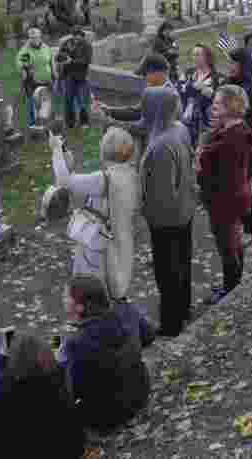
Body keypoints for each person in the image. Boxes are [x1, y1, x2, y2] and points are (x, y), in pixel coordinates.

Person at [49, 127, 140, 300]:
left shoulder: (104, 179)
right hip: (122, 238)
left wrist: (55, 151)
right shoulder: (130, 174)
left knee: (94, 292)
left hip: (98, 244)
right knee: (114, 286)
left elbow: (65, 181)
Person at [58, 275, 154, 433]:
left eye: (66, 296)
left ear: (81, 307)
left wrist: (61, 357)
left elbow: (74, 390)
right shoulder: (124, 314)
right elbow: (148, 336)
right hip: (139, 393)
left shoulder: (77, 343)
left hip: (108, 415)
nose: (63, 299)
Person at [0, 332, 85, 458]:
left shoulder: (0, 384)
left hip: (7, 446)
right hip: (56, 448)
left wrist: (2, 359)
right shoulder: (57, 386)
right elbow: (78, 446)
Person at [139, 87, 196, 337]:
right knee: (182, 263)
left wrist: (147, 213)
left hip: (167, 220)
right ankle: (183, 310)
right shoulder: (179, 129)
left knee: (168, 271)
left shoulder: (161, 145)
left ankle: (172, 323)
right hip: (184, 210)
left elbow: (162, 194)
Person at [195, 85, 252, 304]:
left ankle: (231, 288)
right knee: (233, 242)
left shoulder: (231, 138)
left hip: (225, 200)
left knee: (227, 245)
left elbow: (207, 166)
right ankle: (234, 281)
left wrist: (201, 156)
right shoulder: (233, 130)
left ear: (232, 106)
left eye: (219, 104)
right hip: (233, 196)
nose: (213, 107)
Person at [220, 47, 252, 238]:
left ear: (243, 65)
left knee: (243, 188)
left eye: (233, 63)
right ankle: (234, 221)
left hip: (247, 145)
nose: (229, 66)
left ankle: (248, 229)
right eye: (228, 62)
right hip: (227, 143)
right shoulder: (228, 84)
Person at [178, 44, 220, 147]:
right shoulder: (188, 74)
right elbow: (178, 90)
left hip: (205, 123)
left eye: (197, 55)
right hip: (185, 120)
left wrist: (204, 89)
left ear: (207, 57)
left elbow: (218, 98)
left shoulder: (217, 78)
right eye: (193, 55)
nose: (194, 58)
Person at [56, 26, 93, 128]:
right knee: (68, 100)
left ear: (82, 35)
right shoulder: (67, 43)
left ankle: (84, 122)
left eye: (78, 35)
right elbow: (58, 56)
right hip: (68, 76)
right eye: (74, 35)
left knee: (82, 101)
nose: (76, 38)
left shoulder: (87, 46)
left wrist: (71, 61)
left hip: (81, 77)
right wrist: (62, 57)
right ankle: (70, 123)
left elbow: (86, 61)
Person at [16, 26, 54, 128]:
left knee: (46, 101)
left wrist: (53, 73)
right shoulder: (26, 51)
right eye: (32, 38)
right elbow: (23, 66)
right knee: (33, 103)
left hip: (46, 79)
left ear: (40, 37)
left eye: (36, 37)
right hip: (32, 81)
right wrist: (25, 70)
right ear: (29, 38)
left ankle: (46, 121)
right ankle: (33, 124)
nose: (34, 40)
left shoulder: (46, 48)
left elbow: (50, 61)